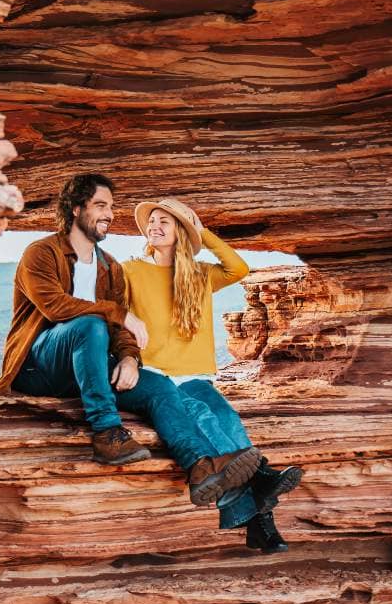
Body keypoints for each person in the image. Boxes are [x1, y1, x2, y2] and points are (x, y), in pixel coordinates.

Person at [0, 174, 261, 504]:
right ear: (76, 210)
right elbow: (54, 305)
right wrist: (119, 315)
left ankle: (200, 467)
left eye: (111, 207)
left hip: (93, 367)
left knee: (161, 387)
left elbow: (121, 329)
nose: (109, 214)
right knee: (90, 324)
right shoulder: (42, 253)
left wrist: (129, 358)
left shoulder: (109, 267)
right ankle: (107, 432)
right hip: (41, 368)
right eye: (100, 206)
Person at [122, 197, 303, 552]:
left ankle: (254, 506)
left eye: (165, 222)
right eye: (152, 221)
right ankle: (262, 486)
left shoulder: (200, 274)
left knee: (226, 418)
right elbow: (108, 302)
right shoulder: (131, 270)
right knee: (204, 417)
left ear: (181, 232)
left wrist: (203, 233)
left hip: (194, 373)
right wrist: (126, 321)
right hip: (156, 372)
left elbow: (238, 268)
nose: (155, 226)